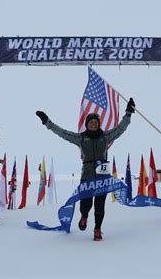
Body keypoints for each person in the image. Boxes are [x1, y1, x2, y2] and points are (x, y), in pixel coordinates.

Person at [35, 98, 135, 241]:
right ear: (87, 124)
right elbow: (62, 133)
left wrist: (128, 113)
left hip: (102, 177)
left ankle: (97, 229)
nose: (93, 124)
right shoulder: (80, 138)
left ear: (99, 124)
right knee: (85, 204)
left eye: (96, 122)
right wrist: (47, 122)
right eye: (91, 122)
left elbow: (120, 128)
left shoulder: (105, 137)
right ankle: (84, 216)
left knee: (100, 205)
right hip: (87, 177)